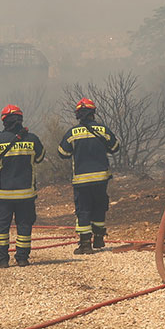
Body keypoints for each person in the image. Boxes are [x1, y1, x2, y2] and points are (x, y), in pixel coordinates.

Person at [0, 105, 44, 268]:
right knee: (24, 226)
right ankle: (22, 258)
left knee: (2, 228)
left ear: (3, 121)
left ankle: (2, 261)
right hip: (26, 195)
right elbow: (40, 157)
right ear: (21, 119)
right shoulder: (32, 139)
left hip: (4, 195)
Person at [56, 97, 120, 253]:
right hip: (101, 179)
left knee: (83, 210)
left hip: (81, 180)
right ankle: (98, 239)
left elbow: (62, 153)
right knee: (99, 207)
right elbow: (115, 147)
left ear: (78, 115)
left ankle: (85, 245)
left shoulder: (72, 133)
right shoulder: (103, 130)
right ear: (93, 113)